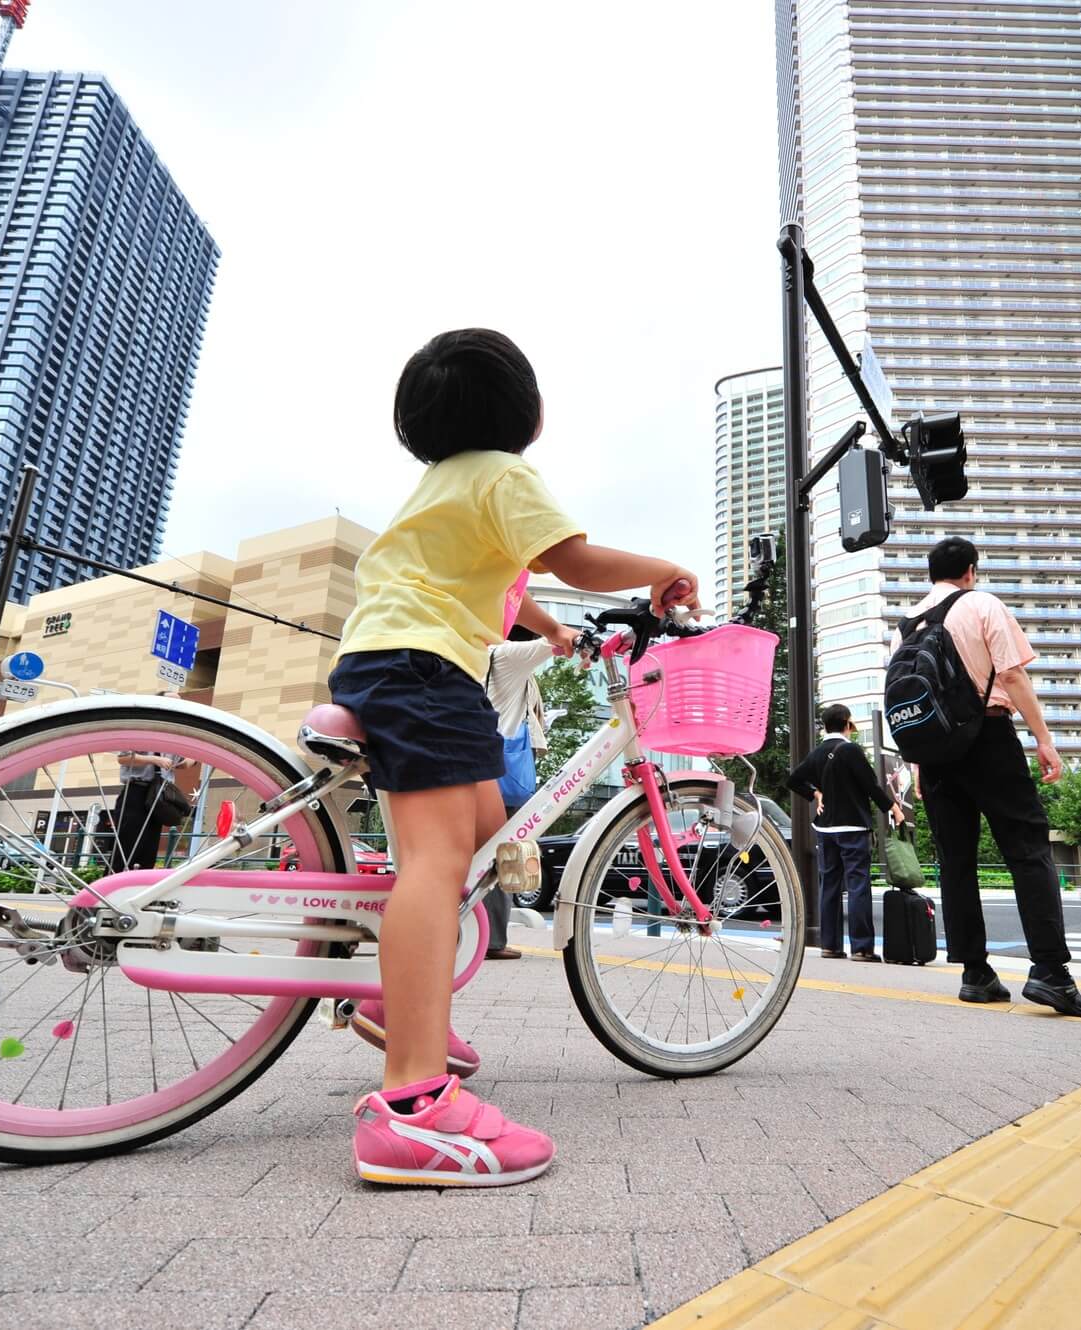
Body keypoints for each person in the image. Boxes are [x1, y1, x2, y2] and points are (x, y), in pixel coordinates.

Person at [332, 327, 699, 1188]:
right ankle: (412, 1108)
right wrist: (661, 569)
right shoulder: (505, 471)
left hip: (388, 657)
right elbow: (567, 556)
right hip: (425, 667)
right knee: (440, 858)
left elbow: (508, 583)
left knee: (489, 833)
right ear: (527, 414)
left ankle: (400, 998)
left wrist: (556, 630)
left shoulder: (443, 485)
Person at [906, 536, 1081, 1017]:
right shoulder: (981, 603)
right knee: (1028, 850)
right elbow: (1011, 676)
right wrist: (1044, 739)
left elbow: (911, 703)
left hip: (934, 752)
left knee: (956, 862)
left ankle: (976, 973)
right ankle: (1050, 971)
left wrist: (916, 768)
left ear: (932, 574)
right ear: (971, 569)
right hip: (987, 737)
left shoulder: (908, 624)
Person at [788, 704, 902, 961]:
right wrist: (892, 808)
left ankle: (830, 946)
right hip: (852, 827)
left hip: (825, 828)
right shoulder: (850, 750)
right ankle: (861, 947)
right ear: (847, 723)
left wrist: (815, 794)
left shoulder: (817, 753)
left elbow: (794, 779)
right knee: (858, 885)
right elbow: (871, 785)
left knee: (829, 885)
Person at [481, 625, 557, 959]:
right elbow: (552, 642)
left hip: (484, 767)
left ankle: (475, 936)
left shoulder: (481, 658)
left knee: (487, 854)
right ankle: (491, 941)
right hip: (501, 773)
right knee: (499, 856)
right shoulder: (507, 655)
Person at [110, 750, 186, 872]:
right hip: (136, 790)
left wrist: (194, 758)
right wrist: (154, 760)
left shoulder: (172, 738)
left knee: (149, 851)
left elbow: (185, 763)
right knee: (126, 848)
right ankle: (112, 886)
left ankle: (141, 885)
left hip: (160, 795)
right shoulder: (141, 732)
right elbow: (123, 758)